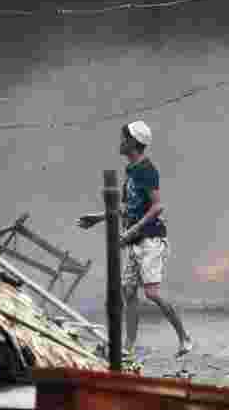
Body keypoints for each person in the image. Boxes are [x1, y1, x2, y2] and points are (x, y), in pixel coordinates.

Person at [78, 120, 193, 357]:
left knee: (151, 293)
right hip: (136, 240)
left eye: (123, 138)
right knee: (128, 291)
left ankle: (185, 337)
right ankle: (128, 347)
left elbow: (158, 207)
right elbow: (124, 207)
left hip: (151, 239)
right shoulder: (131, 171)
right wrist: (97, 219)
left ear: (133, 143)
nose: (120, 143)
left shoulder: (147, 170)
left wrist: (133, 230)